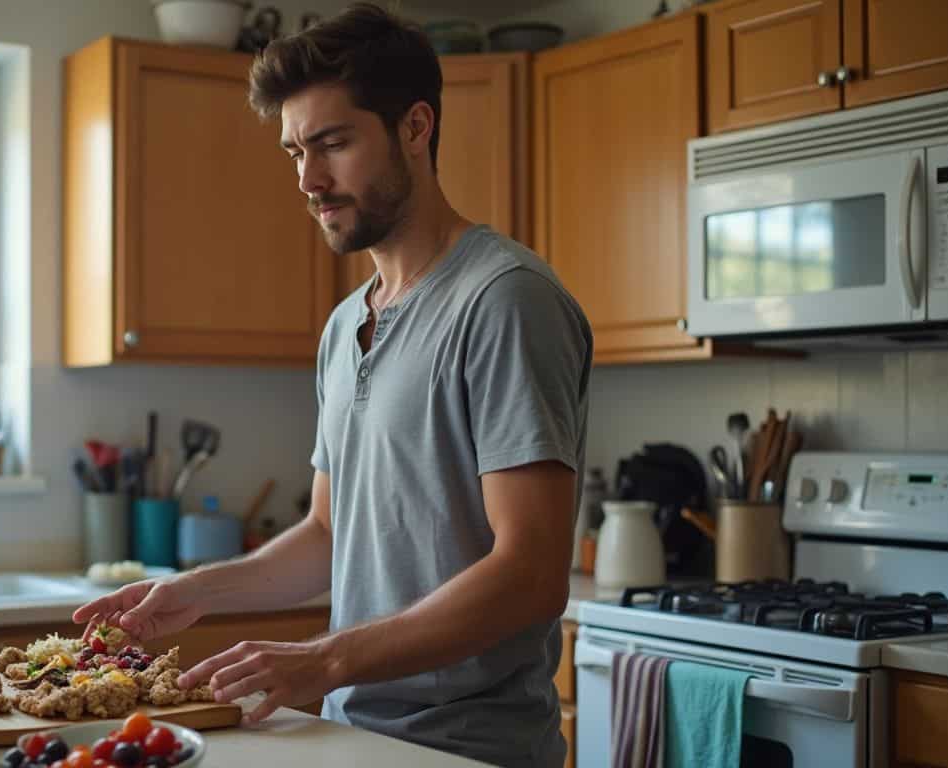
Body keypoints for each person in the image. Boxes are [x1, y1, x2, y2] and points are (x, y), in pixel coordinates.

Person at [72, 4, 592, 766]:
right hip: (350, 738)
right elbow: (327, 534)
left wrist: (323, 660)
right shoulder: (347, 323)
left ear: (416, 128)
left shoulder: (504, 300)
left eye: (333, 144)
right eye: (294, 152)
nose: (309, 180)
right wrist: (197, 593)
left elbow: (532, 573)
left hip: (468, 751)